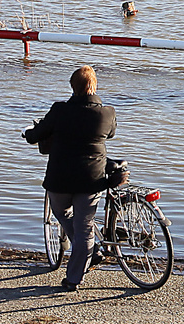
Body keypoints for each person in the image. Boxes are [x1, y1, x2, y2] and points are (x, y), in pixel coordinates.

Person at [25, 65, 117, 292]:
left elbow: (36, 135)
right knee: (85, 227)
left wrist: (29, 133)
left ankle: (89, 251)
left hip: (60, 179)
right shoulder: (107, 113)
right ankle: (74, 279)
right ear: (94, 86)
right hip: (92, 180)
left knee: (61, 213)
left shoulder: (59, 111)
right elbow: (111, 133)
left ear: (72, 88)